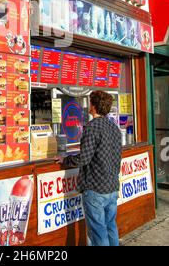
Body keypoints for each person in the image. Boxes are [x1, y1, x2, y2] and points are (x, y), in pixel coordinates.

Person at [55, 91, 122, 246]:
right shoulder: (114, 128)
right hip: (112, 186)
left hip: (95, 188)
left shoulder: (92, 128)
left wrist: (65, 159)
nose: (88, 106)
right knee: (111, 227)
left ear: (94, 105)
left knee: (98, 233)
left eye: (90, 102)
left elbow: (83, 158)